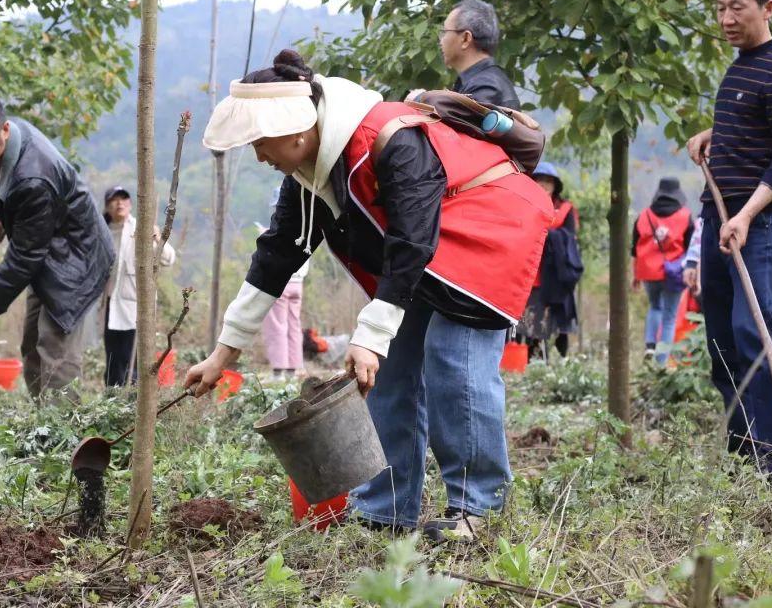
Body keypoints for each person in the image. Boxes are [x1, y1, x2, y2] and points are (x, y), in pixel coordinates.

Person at [184, 50, 552, 541]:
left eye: (260, 143)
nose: (259, 157)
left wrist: (371, 331)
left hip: (490, 231)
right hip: (426, 252)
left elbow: (412, 237)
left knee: (453, 360)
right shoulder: (311, 170)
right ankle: (386, 506)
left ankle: (479, 507)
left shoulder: (390, 139)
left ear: (295, 128)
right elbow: (277, 255)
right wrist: (222, 354)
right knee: (389, 369)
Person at [686, 0, 772, 470]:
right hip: (719, 218)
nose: (726, 17)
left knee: (753, 332)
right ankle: (745, 458)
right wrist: (710, 134)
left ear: (768, 8)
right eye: (720, 8)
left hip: (758, 224)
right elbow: (754, 126)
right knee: (720, 339)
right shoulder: (739, 68)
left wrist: (743, 216)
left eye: (737, 6)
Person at [0, 93, 115, 400]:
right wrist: (4, 215)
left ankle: (64, 436)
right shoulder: (6, 142)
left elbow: (25, 255)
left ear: (3, 130)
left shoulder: (34, 178)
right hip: (50, 250)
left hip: (77, 262)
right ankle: (43, 429)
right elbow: (5, 184)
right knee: (32, 345)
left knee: (54, 351)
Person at [100, 185, 175, 387]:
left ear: (131, 204)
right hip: (108, 303)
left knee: (132, 355)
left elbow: (168, 259)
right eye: (114, 199)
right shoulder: (101, 230)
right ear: (107, 206)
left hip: (134, 304)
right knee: (113, 354)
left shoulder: (140, 229)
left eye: (124, 199)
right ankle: (112, 396)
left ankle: (131, 398)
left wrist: (157, 238)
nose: (119, 203)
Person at [683, 208, 772, 303]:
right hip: (731, 267)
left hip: (765, 268)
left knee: (766, 314)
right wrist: (691, 262)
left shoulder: (771, 197)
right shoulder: (719, 203)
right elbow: (701, 231)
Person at [516, 162, 581, 359]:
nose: (543, 185)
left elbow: (570, 237)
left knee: (561, 322)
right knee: (533, 322)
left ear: (555, 186)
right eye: (539, 181)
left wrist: (549, 236)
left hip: (557, 274)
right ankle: (535, 363)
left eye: (548, 182)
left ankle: (563, 362)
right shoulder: (525, 205)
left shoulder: (566, 209)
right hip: (533, 274)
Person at [631, 177, 694, 365]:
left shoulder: (644, 215)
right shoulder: (685, 215)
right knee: (669, 316)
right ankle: (661, 359)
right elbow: (692, 248)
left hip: (648, 272)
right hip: (673, 273)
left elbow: (634, 248)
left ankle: (650, 345)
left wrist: (635, 276)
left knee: (655, 306)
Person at [260, 186, 309, 380]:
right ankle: (293, 368)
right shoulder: (305, 228)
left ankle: (279, 371)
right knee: (293, 324)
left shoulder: (276, 231)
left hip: (281, 283)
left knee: (276, 325)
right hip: (298, 284)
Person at [440, 0, 521, 109]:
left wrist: (421, 99)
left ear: (465, 39)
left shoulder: (484, 87)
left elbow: (457, 125)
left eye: (445, 32)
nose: (441, 40)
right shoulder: (479, 81)